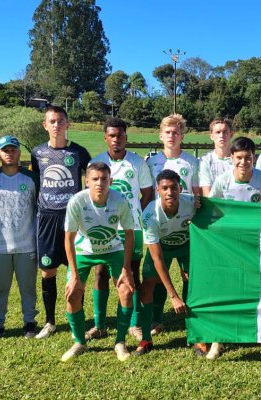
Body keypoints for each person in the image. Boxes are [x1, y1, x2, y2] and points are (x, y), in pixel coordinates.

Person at [208, 136, 261, 360]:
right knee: (226, 291)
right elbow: (211, 209)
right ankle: (218, 340)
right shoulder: (222, 181)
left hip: (257, 244)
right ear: (231, 158)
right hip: (229, 246)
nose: (243, 162)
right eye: (239, 158)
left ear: (254, 158)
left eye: (248, 158)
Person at [60, 163, 136, 362]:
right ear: (87, 181)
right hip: (83, 251)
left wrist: (126, 268)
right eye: (95, 179)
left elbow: (129, 234)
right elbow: (68, 238)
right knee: (72, 294)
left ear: (111, 181)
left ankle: (120, 342)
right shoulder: (77, 201)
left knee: (126, 291)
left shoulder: (120, 200)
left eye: (104, 179)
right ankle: (79, 342)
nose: (99, 183)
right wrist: (74, 275)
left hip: (113, 249)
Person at [89, 117, 154, 342]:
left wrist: (133, 215)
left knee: (132, 273)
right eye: (112, 135)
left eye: (120, 135)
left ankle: (134, 323)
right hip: (103, 228)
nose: (116, 139)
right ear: (105, 138)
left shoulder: (137, 163)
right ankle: (99, 325)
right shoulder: (96, 162)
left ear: (126, 137)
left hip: (131, 229)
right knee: (100, 272)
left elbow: (147, 193)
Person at [30, 105, 92, 339]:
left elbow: (91, 179)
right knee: (48, 270)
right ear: (45, 125)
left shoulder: (79, 152)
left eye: (60, 121)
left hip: (73, 218)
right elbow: (37, 182)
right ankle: (50, 322)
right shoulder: (37, 153)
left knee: (77, 271)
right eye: (52, 121)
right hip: (47, 218)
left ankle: (79, 320)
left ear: (68, 124)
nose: (56, 125)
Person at [145, 113, 201, 336]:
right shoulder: (151, 162)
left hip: (186, 226)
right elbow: (147, 193)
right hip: (160, 226)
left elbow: (197, 194)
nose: (171, 136)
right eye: (167, 132)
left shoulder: (192, 161)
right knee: (156, 276)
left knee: (190, 275)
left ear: (182, 136)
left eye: (176, 132)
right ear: (160, 135)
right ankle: (156, 319)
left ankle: (190, 317)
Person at [0, 135, 40, 339]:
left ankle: (30, 322)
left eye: (13, 149)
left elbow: (36, 206)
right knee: (0, 289)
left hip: (27, 244)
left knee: (28, 288)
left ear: (19, 152)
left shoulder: (31, 178)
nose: (9, 153)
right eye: (5, 150)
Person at [137, 170, 194, 356]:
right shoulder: (149, 214)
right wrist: (173, 296)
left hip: (187, 246)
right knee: (148, 285)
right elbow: (157, 258)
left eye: (174, 188)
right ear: (157, 190)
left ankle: (194, 333)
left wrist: (202, 205)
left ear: (180, 189)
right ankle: (146, 338)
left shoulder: (192, 203)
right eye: (165, 188)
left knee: (192, 281)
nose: (170, 192)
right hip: (162, 249)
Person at [199, 118, 234, 197]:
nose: (221, 135)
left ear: (231, 134)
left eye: (225, 132)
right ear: (211, 136)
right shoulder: (205, 160)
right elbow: (207, 194)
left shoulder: (239, 159)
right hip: (214, 203)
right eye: (218, 132)